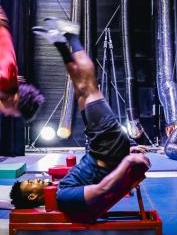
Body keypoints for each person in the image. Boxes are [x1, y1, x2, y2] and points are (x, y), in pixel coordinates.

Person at [9, 18, 150, 212]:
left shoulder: (60, 190)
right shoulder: (63, 195)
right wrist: (127, 159)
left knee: (82, 92)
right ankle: (70, 37)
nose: (37, 178)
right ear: (32, 195)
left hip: (101, 149)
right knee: (88, 87)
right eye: (31, 183)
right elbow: (102, 189)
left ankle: (61, 41)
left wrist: (129, 147)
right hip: (106, 151)